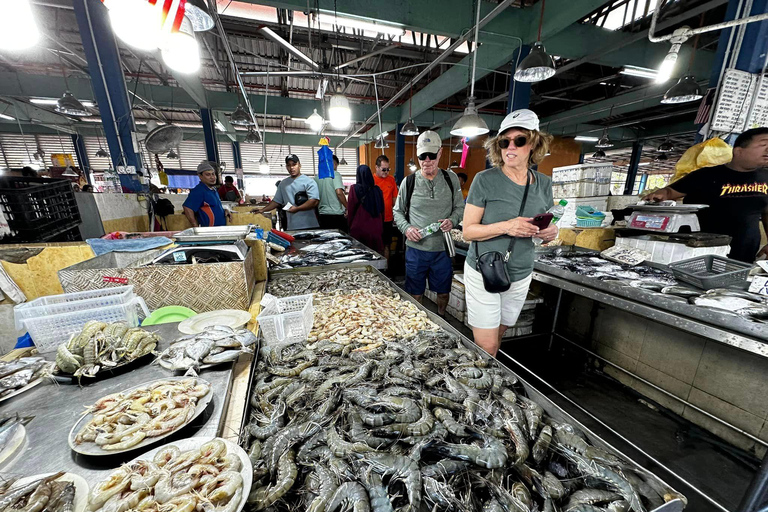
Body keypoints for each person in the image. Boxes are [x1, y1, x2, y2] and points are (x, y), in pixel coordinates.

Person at [462, 109, 558, 357]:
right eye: (504, 142)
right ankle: (481, 389)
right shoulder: (485, 180)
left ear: (534, 143)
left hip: (521, 272)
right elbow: (468, 231)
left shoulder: (544, 184)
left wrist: (549, 232)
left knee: (501, 332)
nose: (510, 147)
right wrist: (507, 226)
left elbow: (541, 226)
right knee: (488, 345)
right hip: (486, 269)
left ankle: (488, 375)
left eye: (520, 140)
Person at [643, 127, 768, 262]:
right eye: (763, 144)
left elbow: (767, 211)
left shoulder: (766, 178)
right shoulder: (705, 175)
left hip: (744, 253)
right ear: (738, 151)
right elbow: (671, 191)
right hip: (699, 250)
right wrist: (661, 193)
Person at [393, 130, 464, 316]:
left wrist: (453, 220)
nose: (426, 161)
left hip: (442, 250)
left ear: (440, 153)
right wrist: (407, 228)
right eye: (422, 156)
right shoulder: (408, 182)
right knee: (415, 293)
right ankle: (418, 322)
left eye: (431, 155)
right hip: (416, 250)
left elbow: (460, 208)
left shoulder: (451, 179)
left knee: (443, 292)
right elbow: (397, 212)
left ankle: (441, 316)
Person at [252, 154, 319, 230]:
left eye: (294, 164)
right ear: (286, 167)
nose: (291, 168)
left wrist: (297, 208)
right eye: (288, 165)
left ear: (299, 165)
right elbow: (276, 201)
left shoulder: (309, 181)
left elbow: (314, 201)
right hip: (292, 226)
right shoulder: (283, 184)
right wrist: (262, 210)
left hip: (310, 225)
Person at [347, 165, 385, 254]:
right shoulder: (378, 190)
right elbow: (382, 210)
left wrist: (349, 226)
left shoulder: (354, 189)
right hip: (376, 229)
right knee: (375, 255)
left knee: (360, 255)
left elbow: (351, 209)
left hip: (359, 229)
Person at [183, 161, 231, 227]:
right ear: (200, 176)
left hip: (219, 230)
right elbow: (187, 207)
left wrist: (224, 210)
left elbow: (213, 206)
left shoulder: (213, 189)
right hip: (209, 231)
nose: (212, 177)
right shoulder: (199, 190)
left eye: (213, 174)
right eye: (208, 174)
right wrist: (195, 227)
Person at [373, 155, 398, 260]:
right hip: (375, 219)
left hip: (388, 219)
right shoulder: (371, 180)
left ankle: (386, 270)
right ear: (377, 168)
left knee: (387, 244)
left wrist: (397, 216)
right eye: (384, 169)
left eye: (388, 169)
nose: (386, 172)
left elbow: (395, 199)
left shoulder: (391, 180)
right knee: (375, 245)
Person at [314, 154, 348, 232]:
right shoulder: (335, 174)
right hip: (336, 216)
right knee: (340, 242)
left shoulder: (317, 178)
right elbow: (339, 193)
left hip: (322, 216)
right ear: (335, 164)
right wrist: (348, 207)